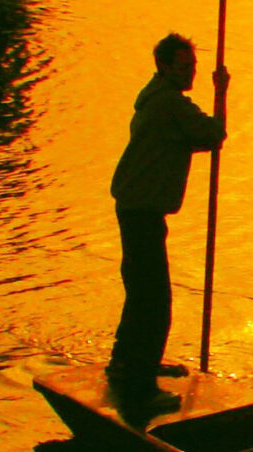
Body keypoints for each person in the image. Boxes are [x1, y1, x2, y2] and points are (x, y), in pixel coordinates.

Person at [105, 33, 229, 407]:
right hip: (141, 210)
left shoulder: (157, 98)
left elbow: (195, 140)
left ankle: (127, 363)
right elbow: (213, 133)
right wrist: (221, 92)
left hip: (136, 206)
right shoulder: (169, 105)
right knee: (155, 302)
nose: (190, 72)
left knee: (141, 291)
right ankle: (140, 385)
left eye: (192, 65)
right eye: (183, 66)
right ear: (163, 66)